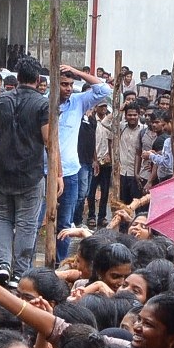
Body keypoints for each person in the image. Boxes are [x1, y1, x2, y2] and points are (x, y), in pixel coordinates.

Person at [0, 57, 50, 285]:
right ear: (37, 79)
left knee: (2, 219)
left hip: (2, 173)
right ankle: (19, 274)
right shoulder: (43, 104)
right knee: (26, 224)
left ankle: (3, 264)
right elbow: (49, 140)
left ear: (18, 76)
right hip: (29, 175)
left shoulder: (2, 100)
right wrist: (58, 174)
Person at [54, 64, 110, 254]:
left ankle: (59, 262)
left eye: (70, 84)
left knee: (64, 221)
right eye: (63, 84)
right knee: (37, 219)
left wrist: (78, 73)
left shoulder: (78, 102)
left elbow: (104, 89)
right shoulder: (43, 103)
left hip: (70, 171)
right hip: (44, 172)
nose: (68, 88)